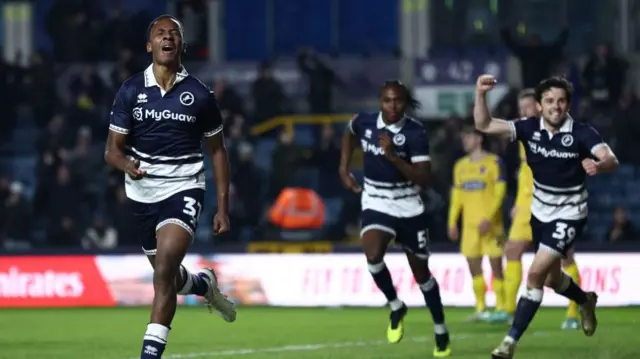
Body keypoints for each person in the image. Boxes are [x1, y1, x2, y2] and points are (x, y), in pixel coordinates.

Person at [104, 15, 236, 359]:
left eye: (173, 33)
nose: (167, 37)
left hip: (184, 187)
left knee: (163, 271)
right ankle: (204, 284)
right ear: (150, 45)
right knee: (170, 277)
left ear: (181, 45)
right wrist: (126, 165)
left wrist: (223, 207)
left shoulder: (199, 95)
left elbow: (218, 151)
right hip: (142, 195)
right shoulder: (131, 89)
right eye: (160, 33)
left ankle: (150, 355)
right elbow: (111, 151)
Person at [473, 74, 619, 359]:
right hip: (539, 213)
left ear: (568, 104)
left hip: (570, 214)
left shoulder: (582, 133)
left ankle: (509, 342)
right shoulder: (528, 129)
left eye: (562, 100)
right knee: (552, 279)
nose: (556, 106)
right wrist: (480, 94)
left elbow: (610, 158)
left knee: (536, 273)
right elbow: (484, 124)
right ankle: (584, 299)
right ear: (539, 105)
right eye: (550, 101)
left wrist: (599, 166)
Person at [339, 80, 451, 357]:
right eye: (387, 101)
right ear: (380, 100)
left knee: (422, 276)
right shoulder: (365, 122)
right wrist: (343, 169)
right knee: (373, 255)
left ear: (404, 102)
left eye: (398, 101)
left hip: (408, 205)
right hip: (376, 200)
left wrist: (393, 157)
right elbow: (349, 132)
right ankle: (395, 304)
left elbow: (424, 179)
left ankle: (440, 329)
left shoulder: (415, 133)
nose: (392, 106)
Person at [503, 89, 583, 329]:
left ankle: (574, 312)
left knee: (563, 258)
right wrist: (518, 203)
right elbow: (524, 173)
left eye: (528, 107)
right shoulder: (524, 134)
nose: (523, 112)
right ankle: (507, 310)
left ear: (539, 107)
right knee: (512, 250)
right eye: (521, 109)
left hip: (553, 203)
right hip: (527, 204)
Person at [448, 127, 507, 322]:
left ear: (479, 139)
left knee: (496, 267)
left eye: (468, 136)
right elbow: (457, 197)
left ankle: (502, 308)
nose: (465, 140)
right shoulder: (460, 166)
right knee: (474, 267)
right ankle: (480, 308)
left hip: (491, 226)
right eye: (464, 137)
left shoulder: (494, 162)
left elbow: (500, 193)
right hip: (469, 226)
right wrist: (452, 222)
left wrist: (489, 218)